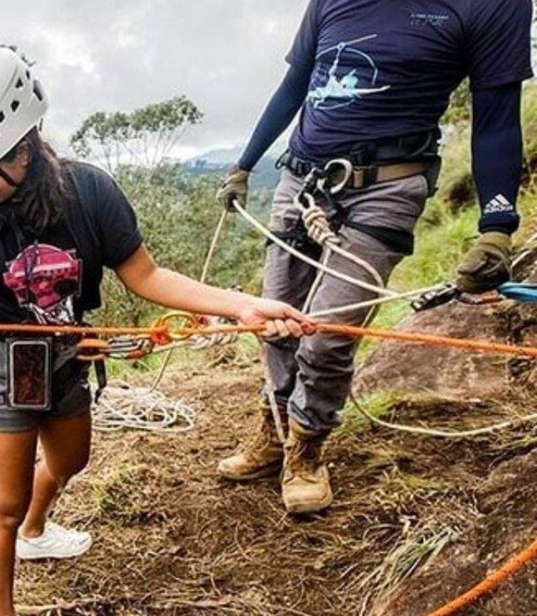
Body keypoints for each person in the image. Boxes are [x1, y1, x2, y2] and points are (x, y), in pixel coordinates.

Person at [0, 47, 312, 616]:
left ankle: (36, 534)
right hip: (2, 359)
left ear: (26, 148)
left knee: (70, 462)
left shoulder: (88, 194)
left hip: (65, 354)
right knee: (4, 504)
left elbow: (146, 274)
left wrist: (243, 307)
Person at [216, 0, 533, 514]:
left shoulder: (491, 4)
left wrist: (497, 226)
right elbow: (296, 86)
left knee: (327, 333)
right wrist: (244, 164)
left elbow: (496, 119)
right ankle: (275, 431)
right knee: (274, 319)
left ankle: (307, 449)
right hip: (300, 180)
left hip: (387, 186)